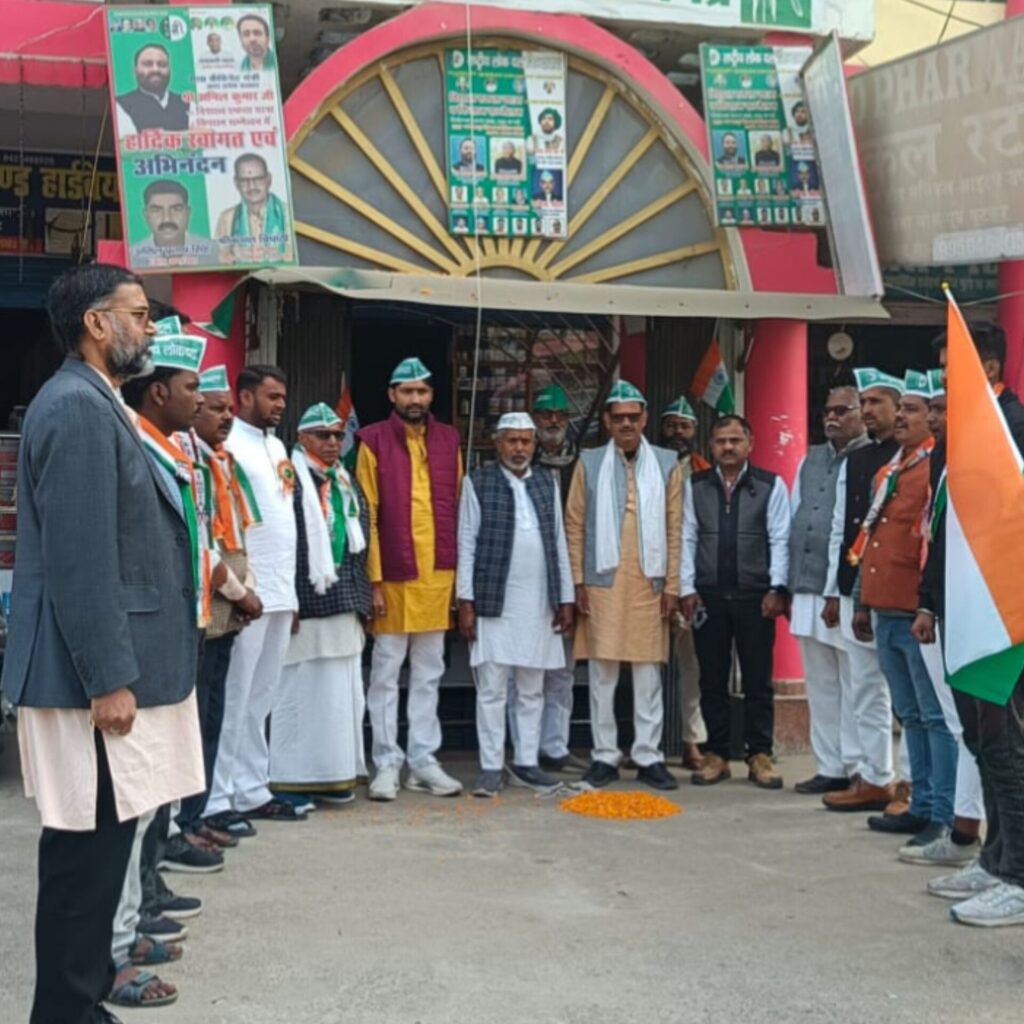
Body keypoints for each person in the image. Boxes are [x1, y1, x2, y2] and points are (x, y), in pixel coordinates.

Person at [0, 263, 203, 1024]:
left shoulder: (95, 400)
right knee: (84, 860)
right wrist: (109, 679)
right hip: (88, 678)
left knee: (95, 854)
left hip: (97, 670)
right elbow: (83, 561)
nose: (150, 328)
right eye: (139, 314)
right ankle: (67, 1012)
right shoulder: (78, 408)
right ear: (96, 323)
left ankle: (76, 1006)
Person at [115, 321, 226, 1011]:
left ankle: (133, 921)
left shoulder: (170, 447)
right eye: (191, 387)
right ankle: (119, 942)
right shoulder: (133, 444)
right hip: (142, 652)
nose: (202, 399)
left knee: (155, 794)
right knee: (131, 807)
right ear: (157, 392)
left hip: (177, 636)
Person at [920, 326, 1024, 925]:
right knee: (983, 743)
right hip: (962, 610)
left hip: (1003, 617)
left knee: (1009, 745)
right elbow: (943, 530)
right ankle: (996, 857)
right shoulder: (957, 436)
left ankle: (1019, 875)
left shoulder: (1014, 429)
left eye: (951, 369)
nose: (943, 382)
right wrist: (929, 601)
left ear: (988, 368)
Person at [851, 371, 958, 857]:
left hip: (916, 609)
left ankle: (943, 813)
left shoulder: (933, 467)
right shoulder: (891, 468)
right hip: (885, 605)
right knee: (910, 713)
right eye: (907, 409)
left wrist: (926, 605)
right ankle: (920, 801)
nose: (902, 418)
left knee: (934, 716)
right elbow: (872, 537)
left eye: (914, 410)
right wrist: (862, 600)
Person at [565, 380, 682, 791]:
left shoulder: (667, 463)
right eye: (619, 418)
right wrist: (577, 582)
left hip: (650, 582)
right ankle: (605, 755)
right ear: (607, 421)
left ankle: (648, 755)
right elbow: (575, 524)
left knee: (648, 673)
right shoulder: (589, 462)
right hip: (602, 582)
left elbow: (676, 527)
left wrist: (672, 586)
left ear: (645, 419)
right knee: (603, 674)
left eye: (634, 417)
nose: (627, 424)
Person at [356, 358, 464, 800]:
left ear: (431, 395)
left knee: (429, 671)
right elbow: (367, 515)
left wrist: (459, 584)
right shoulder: (372, 441)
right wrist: (374, 581)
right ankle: (386, 761)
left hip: (438, 576)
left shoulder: (449, 440)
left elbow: (457, 509)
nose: (415, 399)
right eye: (407, 391)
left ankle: (423, 760)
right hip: (393, 578)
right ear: (392, 395)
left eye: (422, 391)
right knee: (385, 672)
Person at [206, 366, 306, 824]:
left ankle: (251, 788)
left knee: (262, 697)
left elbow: (286, 524)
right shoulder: (229, 446)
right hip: (246, 593)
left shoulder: (277, 446)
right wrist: (239, 589)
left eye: (283, 397)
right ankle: (217, 798)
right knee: (234, 696)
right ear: (245, 397)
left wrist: (293, 596)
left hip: (281, 592)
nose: (281, 405)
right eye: (272, 397)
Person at [457, 413, 575, 797]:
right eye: (513, 441)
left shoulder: (546, 482)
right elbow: (466, 544)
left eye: (526, 441)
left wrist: (565, 598)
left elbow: (558, 542)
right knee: (492, 688)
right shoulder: (477, 482)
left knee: (531, 688)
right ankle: (491, 767)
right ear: (498, 443)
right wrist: (465, 601)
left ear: (535, 444)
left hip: (539, 603)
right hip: (494, 602)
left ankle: (526, 762)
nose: (520, 448)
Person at [175, 364, 264, 840]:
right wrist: (240, 592)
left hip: (227, 611)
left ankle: (201, 814)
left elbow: (239, 538)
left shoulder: (223, 461)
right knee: (196, 720)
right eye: (215, 408)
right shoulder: (191, 462)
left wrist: (248, 590)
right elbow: (202, 545)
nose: (226, 417)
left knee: (214, 716)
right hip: (206, 609)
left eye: (229, 409)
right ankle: (186, 820)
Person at [269, 403, 370, 805]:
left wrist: (363, 600)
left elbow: (362, 542)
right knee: (299, 696)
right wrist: (288, 599)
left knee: (341, 697)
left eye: (338, 436)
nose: (332, 442)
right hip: (305, 605)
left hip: (345, 602)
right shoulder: (289, 479)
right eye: (322, 435)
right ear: (301, 438)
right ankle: (291, 780)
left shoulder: (345, 480)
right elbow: (281, 543)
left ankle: (336, 776)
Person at [681, 415, 790, 789]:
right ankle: (717, 753)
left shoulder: (770, 486)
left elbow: (780, 538)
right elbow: (687, 537)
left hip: (755, 596)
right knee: (712, 677)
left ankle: (760, 753)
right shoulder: (696, 486)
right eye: (721, 441)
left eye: (735, 440)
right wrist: (686, 588)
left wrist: (777, 587)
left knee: (758, 678)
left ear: (749, 443)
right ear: (710, 446)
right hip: (708, 595)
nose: (728, 447)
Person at [906, 368, 983, 869]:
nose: (933, 417)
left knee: (969, 728)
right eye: (930, 408)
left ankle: (966, 834)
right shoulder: (944, 461)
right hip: (942, 606)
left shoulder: (979, 463)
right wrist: (928, 603)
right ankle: (962, 830)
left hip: (974, 611)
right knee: (962, 725)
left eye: (940, 408)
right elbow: (935, 543)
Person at [820, 369, 901, 813]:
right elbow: (840, 528)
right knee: (865, 687)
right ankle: (875, 776)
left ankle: (911, 783)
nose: (868, 411)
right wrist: (836, 590)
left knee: (909, 696)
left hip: (897, 591)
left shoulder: (913, 457)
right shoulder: (856, 460)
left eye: (876, 403)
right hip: (856, 587)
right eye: (864, 403)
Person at [789, 386, 870, 796]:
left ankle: (861, 767)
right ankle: (830, 766)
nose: (833, 417)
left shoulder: (872, 457)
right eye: (828, 411)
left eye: (842, 410)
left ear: (861, 413)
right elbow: (794, 516)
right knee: (820, 682)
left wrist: (838, 591)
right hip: (807, 584)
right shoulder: (811, 458)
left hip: (846, 589)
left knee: (855, 680)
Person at [521, 383, 586, 772]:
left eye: (561, 415)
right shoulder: (519, 462)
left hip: (570, 578)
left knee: (562, 670)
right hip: (526, 580)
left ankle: (555, 746)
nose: (553, 421)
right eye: (546, 414)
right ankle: (524, 749)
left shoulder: (584, 464)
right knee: (525, 671)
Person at [659, 396, 710, 771]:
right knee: (644, 665)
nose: (678, 432)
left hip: (692, 580)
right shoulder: (646, 467)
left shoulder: (706, 472)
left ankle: (693, 741)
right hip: (651, 579)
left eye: (685, 426)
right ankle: (645, 744)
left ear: (695, 431)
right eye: (671, 425)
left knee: (692, 665)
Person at [215, 153, 293, 264]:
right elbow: (219, 258)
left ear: (268, 179)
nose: (251, 186)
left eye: (258, 179)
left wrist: (276, 255)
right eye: (244, 180)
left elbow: (295, 256)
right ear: (236, 183)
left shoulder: (288, 214)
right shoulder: (227, 218)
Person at [129, 181, 219, 269]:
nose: (167, 218)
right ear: (146, 215)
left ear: (188, 213)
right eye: (156, 210)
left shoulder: (214, 252)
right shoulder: (131, 256)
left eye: (176, 209)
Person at [116, 43, 190, 135]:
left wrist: (159, 135)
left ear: (169, 70)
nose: (156, 69)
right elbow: (127, 139)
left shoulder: (188, 102)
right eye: (148, 64)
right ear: (135, 71)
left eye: (162, 64)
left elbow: (204, 132)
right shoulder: (121, 104)